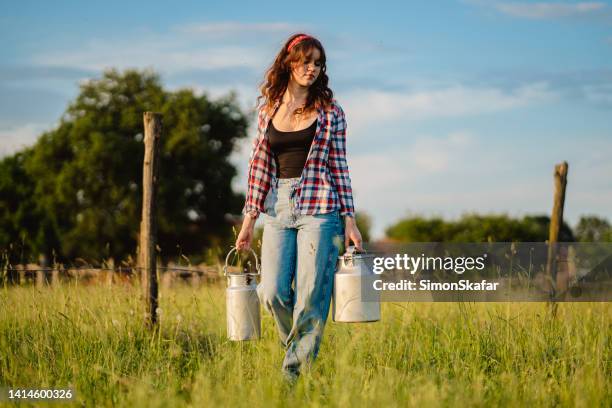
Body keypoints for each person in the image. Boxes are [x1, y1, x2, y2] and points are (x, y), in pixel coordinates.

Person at [235, 33, 363, 381]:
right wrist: (249, 220)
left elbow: (340, 166)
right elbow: (258, 166)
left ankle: (293, 378)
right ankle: (298, 352)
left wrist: (349, 220)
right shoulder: (268, 111)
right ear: (289, 63)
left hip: (320, 208)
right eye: (306, 61)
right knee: (273, 292)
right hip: (278, 207)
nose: (312, 69)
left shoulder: (330, 112)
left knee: (311, 296)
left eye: (318, 63)